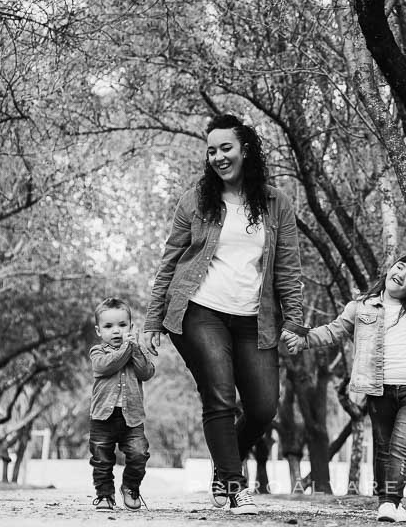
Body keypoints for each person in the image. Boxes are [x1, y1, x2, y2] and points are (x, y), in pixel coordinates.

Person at [141, 114, 307, 515]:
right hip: (200, 311)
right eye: (211, 150)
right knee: (219, 395)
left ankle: (223, 468)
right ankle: (236, 485)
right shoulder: (196, 200)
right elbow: (170, 262)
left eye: (225, 147)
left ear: (245, 149)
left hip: (255, 318)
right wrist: (151, 321)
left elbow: (288, 266)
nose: (217, 156)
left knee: (265, 406)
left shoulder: (276, 202)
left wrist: (295, 320)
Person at [283, 251, 406, 523]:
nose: (401, 274)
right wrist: (304, 340)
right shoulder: (361, 307)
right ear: (390, 268)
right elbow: (334, 330)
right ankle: (392, 503)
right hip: (379, 388)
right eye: (400, 267)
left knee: (402, 446)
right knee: (383, 448)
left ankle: (388, 503)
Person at [89, 297, 155, 511]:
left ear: (131, 327)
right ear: (99, 331)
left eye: (122, 325)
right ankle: (104, 495)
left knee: (139, 453)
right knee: (101, 459)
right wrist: (127, 347)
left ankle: (130, 486)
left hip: (132, 418)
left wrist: (135, 348)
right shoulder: (98, 352)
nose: (116, 331)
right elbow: (106, 366)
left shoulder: (136, 350)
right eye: (108, 326)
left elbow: (146, 372)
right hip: (102, 417)